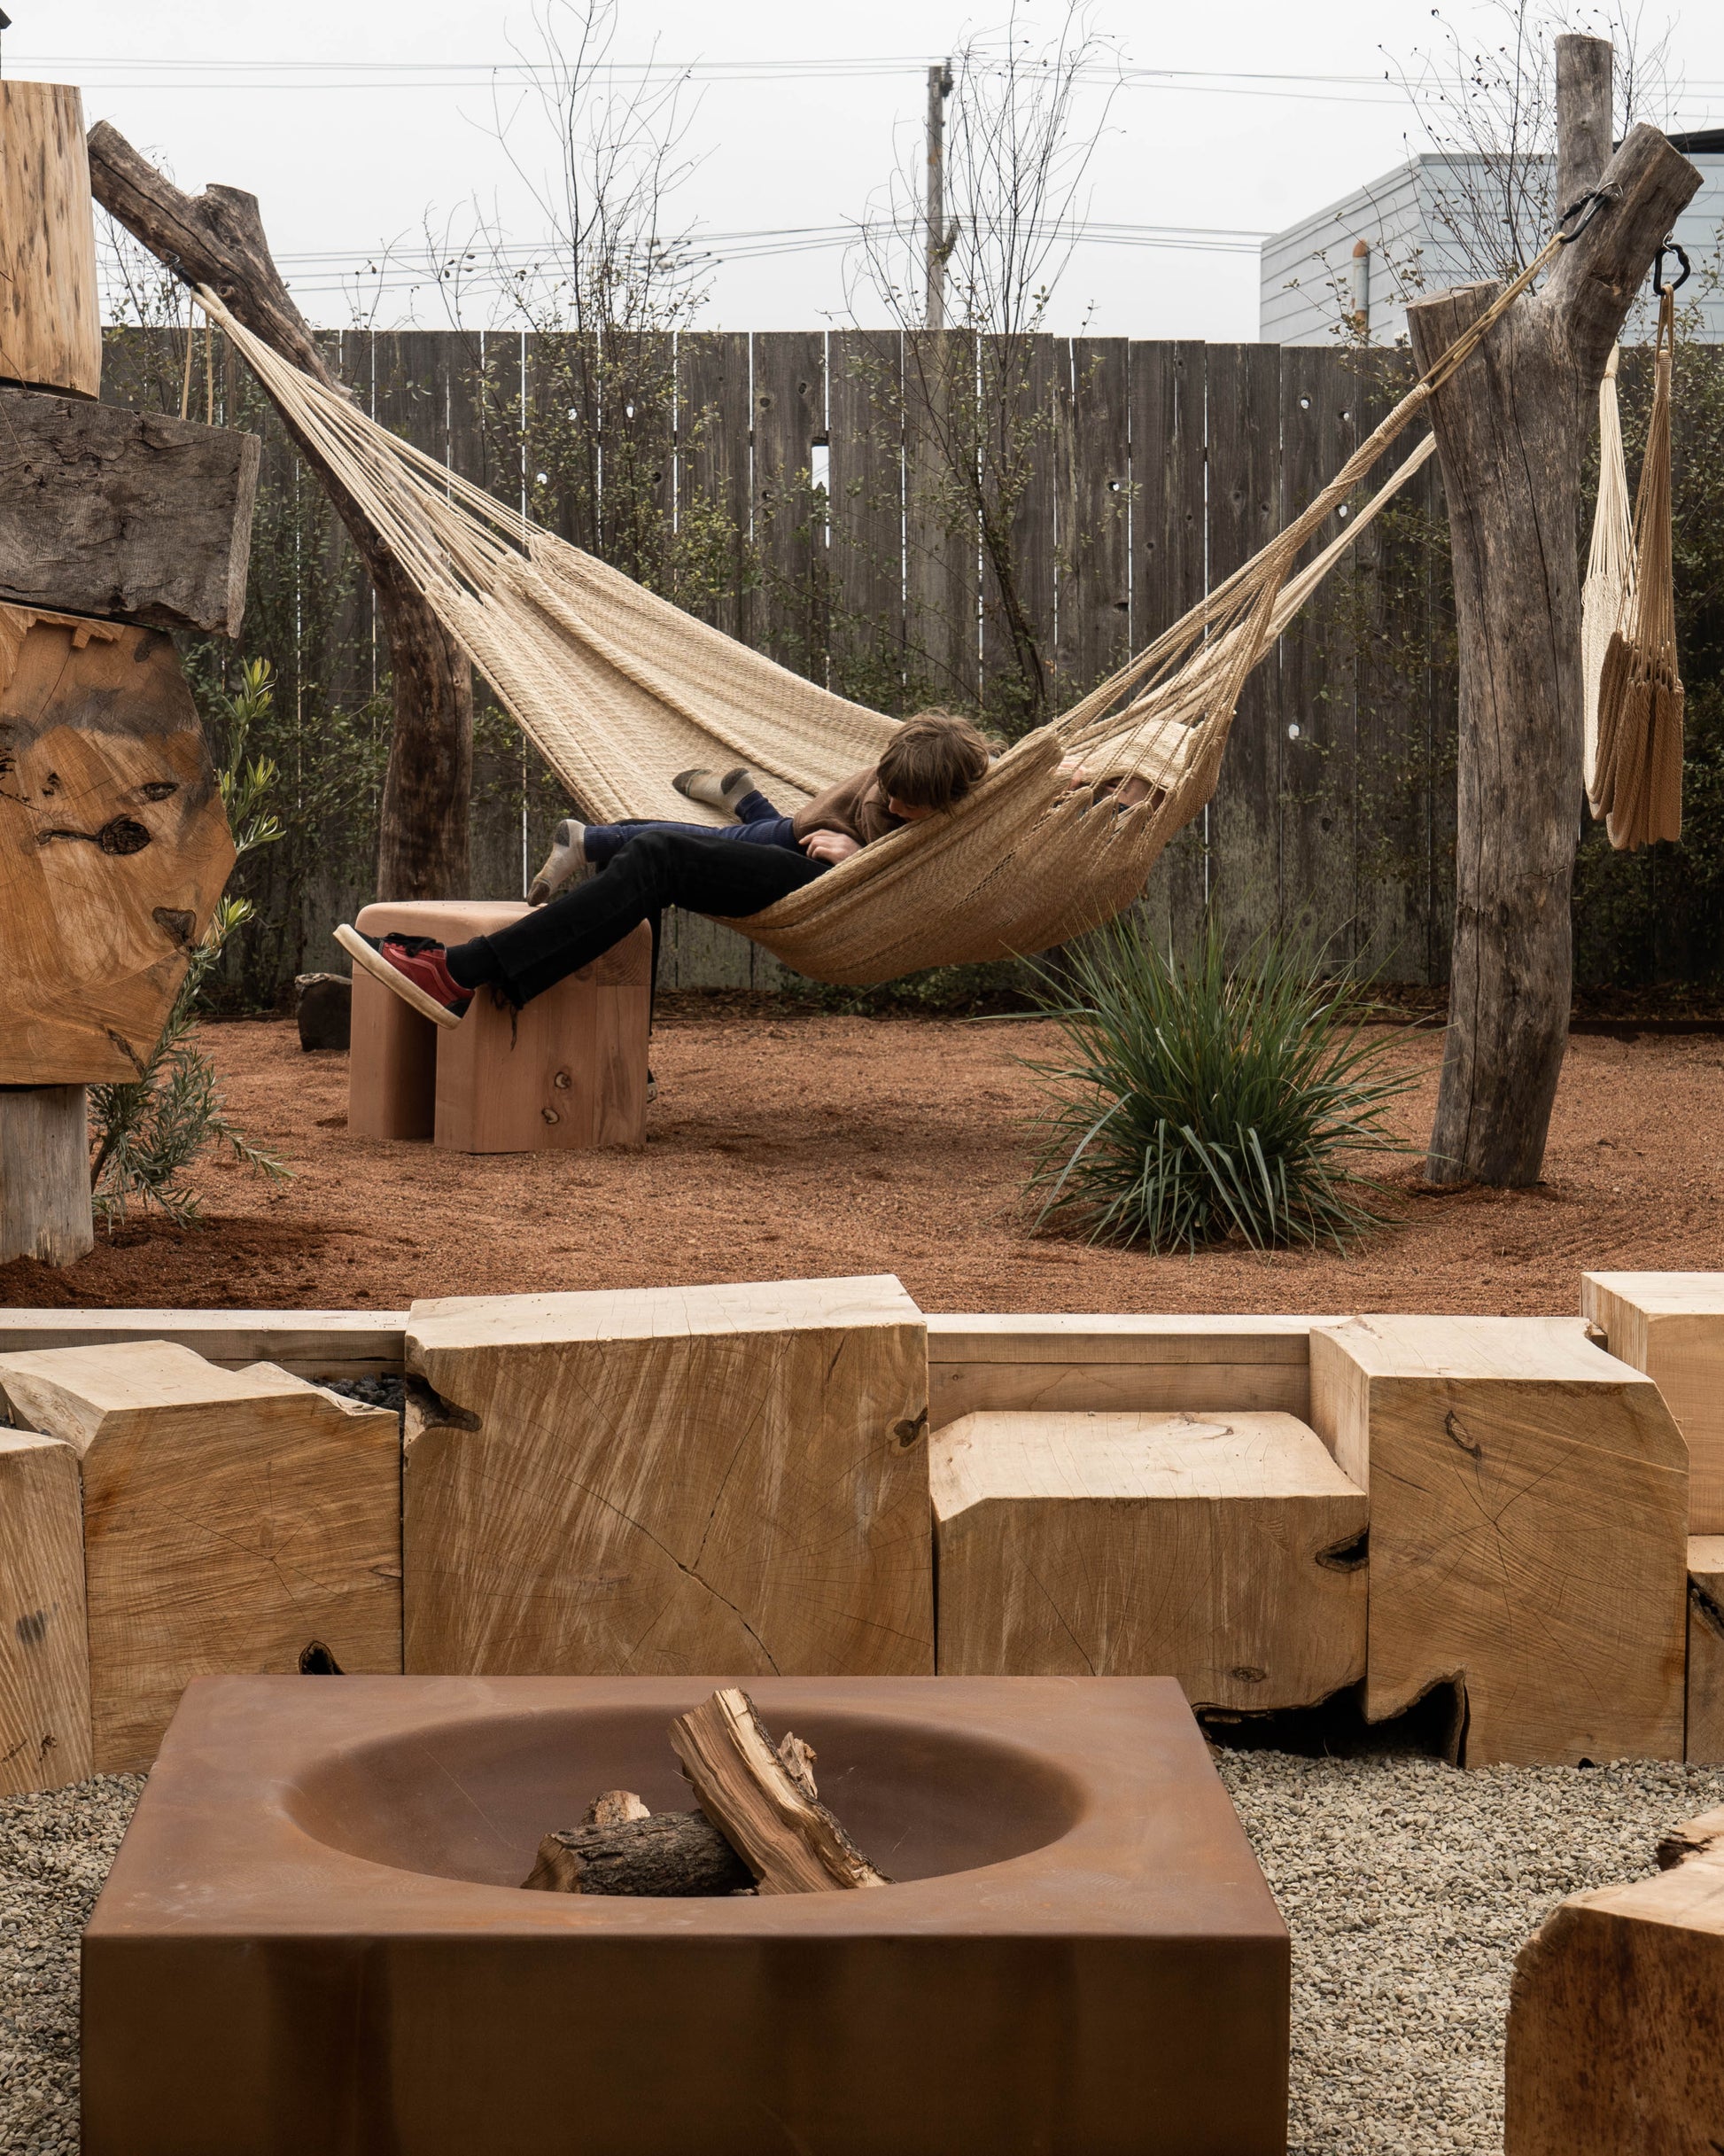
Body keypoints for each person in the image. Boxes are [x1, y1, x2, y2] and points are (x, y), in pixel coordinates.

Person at [336, 711, 995, 1028]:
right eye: (888, 786)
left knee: (657, 853)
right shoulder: (914, 770)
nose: (891, 800)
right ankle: (623, 1052)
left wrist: (858, 862)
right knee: (648, 859)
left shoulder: (975, 808)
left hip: (835, 891)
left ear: (948, 801)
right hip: (794, 848)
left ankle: (458, 970)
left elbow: (1041, 785)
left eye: (907, 802)